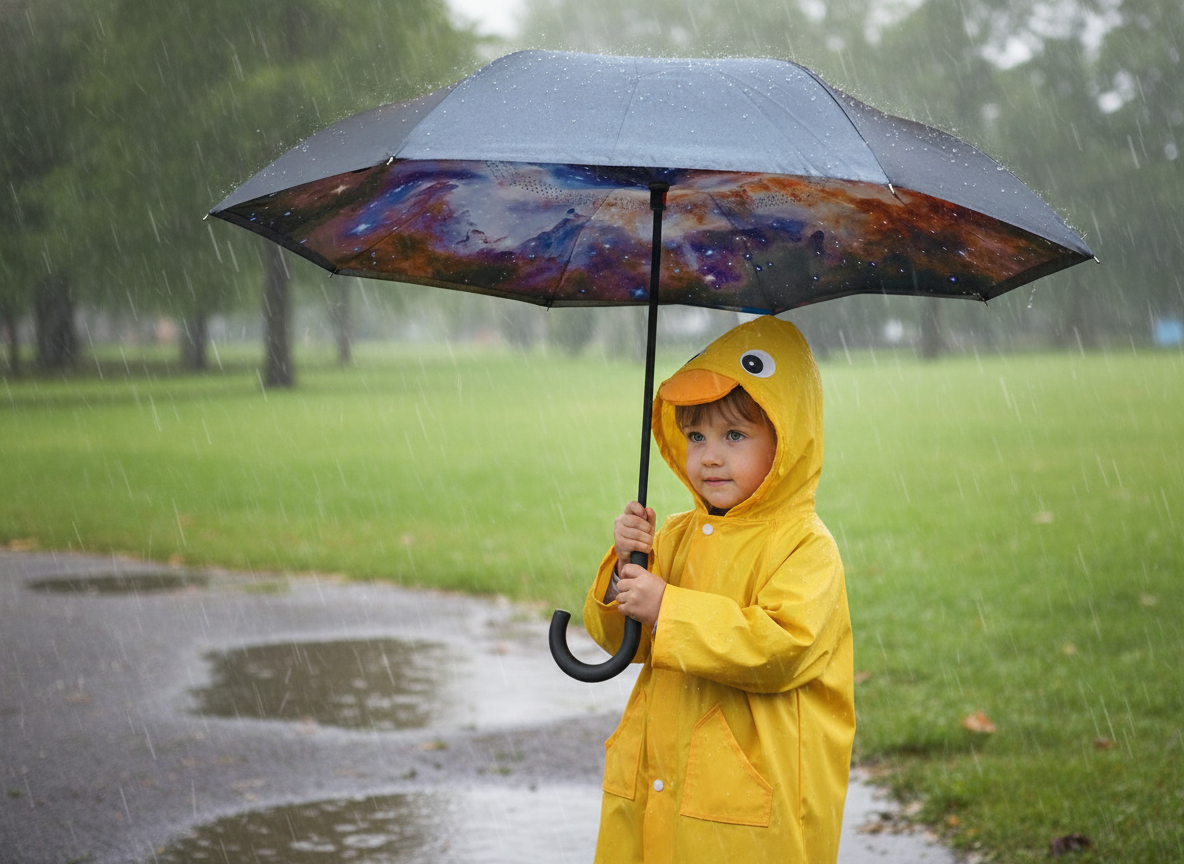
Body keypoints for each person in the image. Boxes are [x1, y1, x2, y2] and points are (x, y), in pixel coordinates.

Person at [583, 315, 855, 864]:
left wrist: (668, 606)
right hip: (657, 784)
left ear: (787, 441)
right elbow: (626, 643)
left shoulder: (805, 546)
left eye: (735, 436)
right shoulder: (676, 535)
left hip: (747, 806)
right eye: (697, 435)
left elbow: (781, 648)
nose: (710, 455)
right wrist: (624, 573)